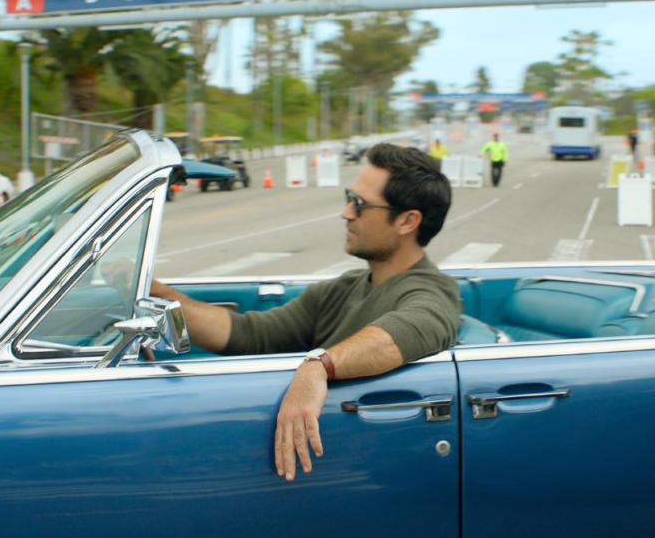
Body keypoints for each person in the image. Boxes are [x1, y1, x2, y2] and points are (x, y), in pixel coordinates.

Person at [151, 143, 461, 482]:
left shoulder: (433, 291)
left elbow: (409, 330)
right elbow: (249, 334)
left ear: (407, 221)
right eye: (349, 198)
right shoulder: (343, 288)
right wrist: (156, 293)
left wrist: (318, 366)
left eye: (359, 204)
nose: (346, 212)